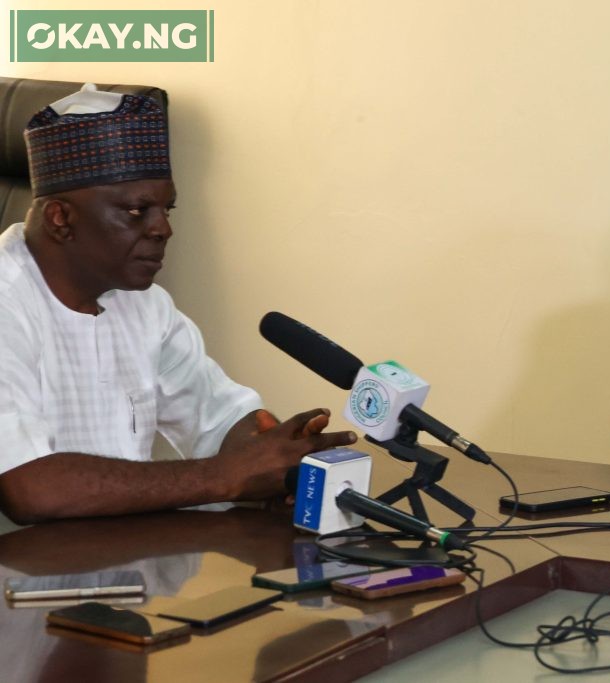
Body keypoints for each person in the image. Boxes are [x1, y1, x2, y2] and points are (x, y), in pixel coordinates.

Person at [0, 85, 355, 525]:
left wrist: (275, 457)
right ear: (61, 218)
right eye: (137, 211)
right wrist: (226, 476)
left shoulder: (145, 305)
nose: (162, 229)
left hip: (122, 556)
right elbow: (29, 488)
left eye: (167, 209)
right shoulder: (7, 302)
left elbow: (218, 415)